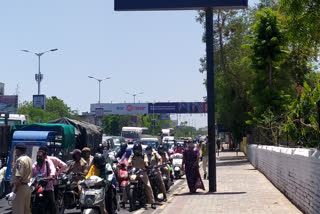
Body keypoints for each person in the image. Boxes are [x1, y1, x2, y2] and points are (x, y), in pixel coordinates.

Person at [128, 143, 156, 209]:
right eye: (135, 150)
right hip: (134, 172)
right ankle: (123, 201)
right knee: (127, 185)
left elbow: (146, 162)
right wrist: (127, 166)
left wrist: (146, 166)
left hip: (142, 172)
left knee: (148, 186)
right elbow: (129, 162)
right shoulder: (132, 155)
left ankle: (152, 202)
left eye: (138, 150)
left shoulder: (144, 155)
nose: (136, 152)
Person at [7, 143, 32, 214]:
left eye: (16, 151)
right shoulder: (28, 159)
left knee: (18, 210)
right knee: (26, 210)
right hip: (27, 187)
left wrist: (14, 192)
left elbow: (19, 178)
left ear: (18, 150)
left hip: (20, 188)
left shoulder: (20, 161)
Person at [32, 148, 57, 214]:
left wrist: (51, 176)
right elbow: (31, 174)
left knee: (52, 204)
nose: (38, 158)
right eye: (37, 156)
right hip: (37, 187)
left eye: (40, 156)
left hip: (48, 187)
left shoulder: (48, 163)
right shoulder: (35, 165)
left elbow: (53, 170)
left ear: (44, 156)